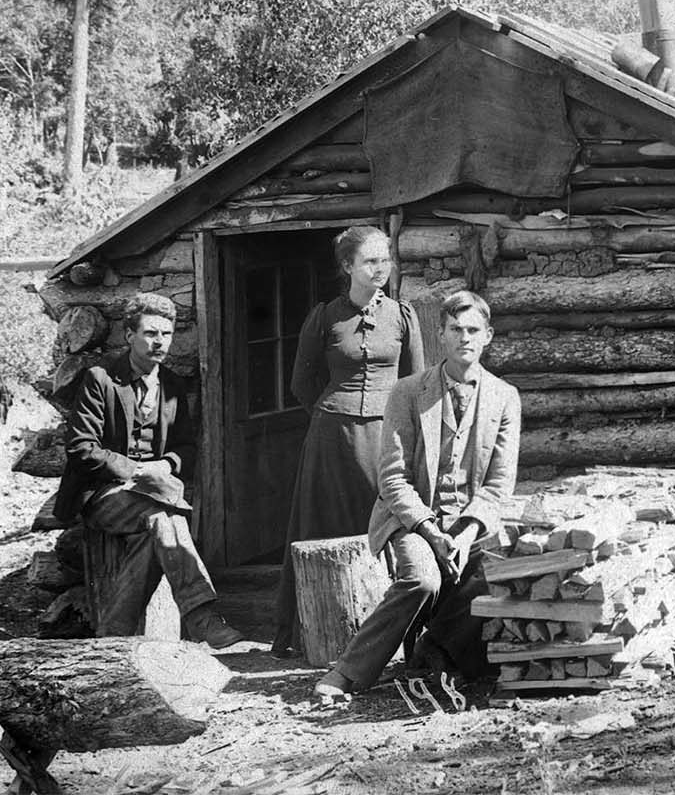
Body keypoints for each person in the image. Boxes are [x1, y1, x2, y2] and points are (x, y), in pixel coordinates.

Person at [314, 290, 520, 695]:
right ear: (440, 335)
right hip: (410, 519)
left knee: (503, 569)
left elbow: (498, 484)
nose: (465, 338)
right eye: (455, 329)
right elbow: (392, 478)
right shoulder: (408, 392)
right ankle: (348, 671)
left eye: (473, 330)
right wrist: (431, 531)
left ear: (488, 336)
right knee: (423, 579)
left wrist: (462, 534)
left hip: (469, 524)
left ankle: (436, 648)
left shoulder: (504, 397)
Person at [271, 226, 425, 656]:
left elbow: (415, 385)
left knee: (389, 526)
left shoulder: (402, 316)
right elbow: (302, 383)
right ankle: (318, 631)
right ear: (347, 267)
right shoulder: (324, 318)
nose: (380, 268)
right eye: (370, 261)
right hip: (331, 438)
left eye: (385, 259)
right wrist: (332, 415)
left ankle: (396, 634)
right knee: (325, 528)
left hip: (386, 438)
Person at [58, 292, 243, 648]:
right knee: (165, 518)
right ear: (130, 336)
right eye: (150, 333)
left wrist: (165, 464)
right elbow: (81, 449)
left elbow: (186, 449)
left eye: (166, 335)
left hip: (150, 499)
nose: (160, 342)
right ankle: (202, 618)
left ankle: (112, 634)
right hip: (102, 493)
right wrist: (138, 471)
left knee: (156, 528)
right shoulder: (101, 379)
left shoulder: (171, 384)